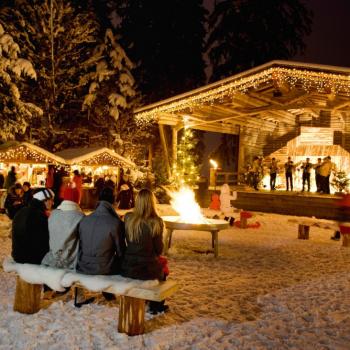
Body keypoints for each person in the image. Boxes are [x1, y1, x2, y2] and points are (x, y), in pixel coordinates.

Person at [121, 189, 169, 314]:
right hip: (148, 269)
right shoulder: (156, 222)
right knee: (163, 271)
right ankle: (156, 305)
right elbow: (159, 250)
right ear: (152, 203)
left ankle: (151, 301)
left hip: (128, 266)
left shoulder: (128, 218)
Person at [76, 187, 125, 306]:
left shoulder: (85, 219)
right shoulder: (115, 223)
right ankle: (109, 292)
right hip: (104, 268)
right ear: (113, 202)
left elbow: (81, 244)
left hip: (83, 265)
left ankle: (106, 292)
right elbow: (120, 251)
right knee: (121, 261)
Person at [41, 184, 84, 269]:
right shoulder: (81, 217)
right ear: (78, 199)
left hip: (52, 259)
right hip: (70, 263)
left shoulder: (53, 214)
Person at [11, 188, 54, 264]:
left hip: (17, 255)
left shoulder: (22, 211)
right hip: (31, 259)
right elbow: (45, 241)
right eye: (51, 200)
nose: (53, 203)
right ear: (44, 200)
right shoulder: (39, 216)